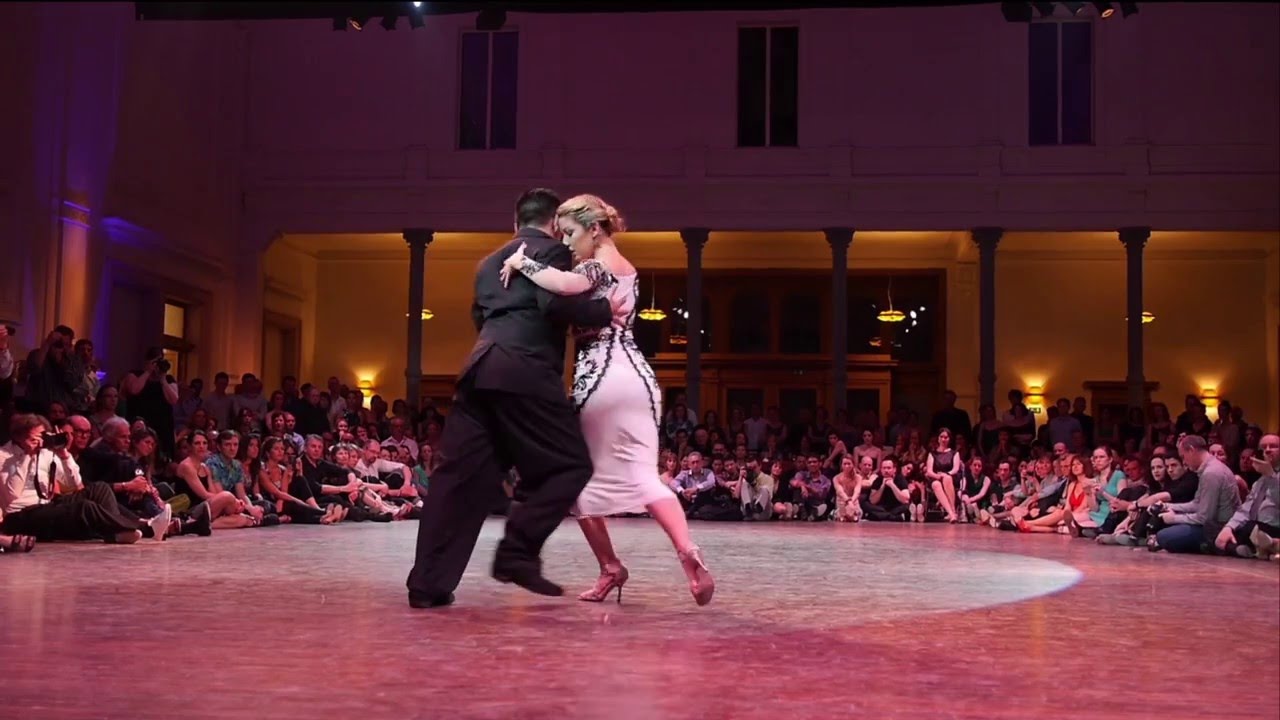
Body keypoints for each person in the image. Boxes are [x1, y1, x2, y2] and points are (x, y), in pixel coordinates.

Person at [405, 188, 627, 609]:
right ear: (555, 224)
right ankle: (517, 554)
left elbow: (479, 318)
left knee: (456, 482)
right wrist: (602, 312)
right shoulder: (553, 251)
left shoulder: (488, 263)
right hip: (525, 371)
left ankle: (427, 585)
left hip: (480, 371)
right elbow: (551, 304)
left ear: (515, 222)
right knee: (570, 466)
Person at [497, 193, 715, 606]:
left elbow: (563, 284)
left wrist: (521, 261)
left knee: (576, 480)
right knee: (645, 477)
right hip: (639, 381)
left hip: (602, 379)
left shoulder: (596, 265)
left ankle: (610, 566)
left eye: (570, 233)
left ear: (594, 229)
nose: (567, 243)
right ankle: (688, 552)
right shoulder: (628, 268)